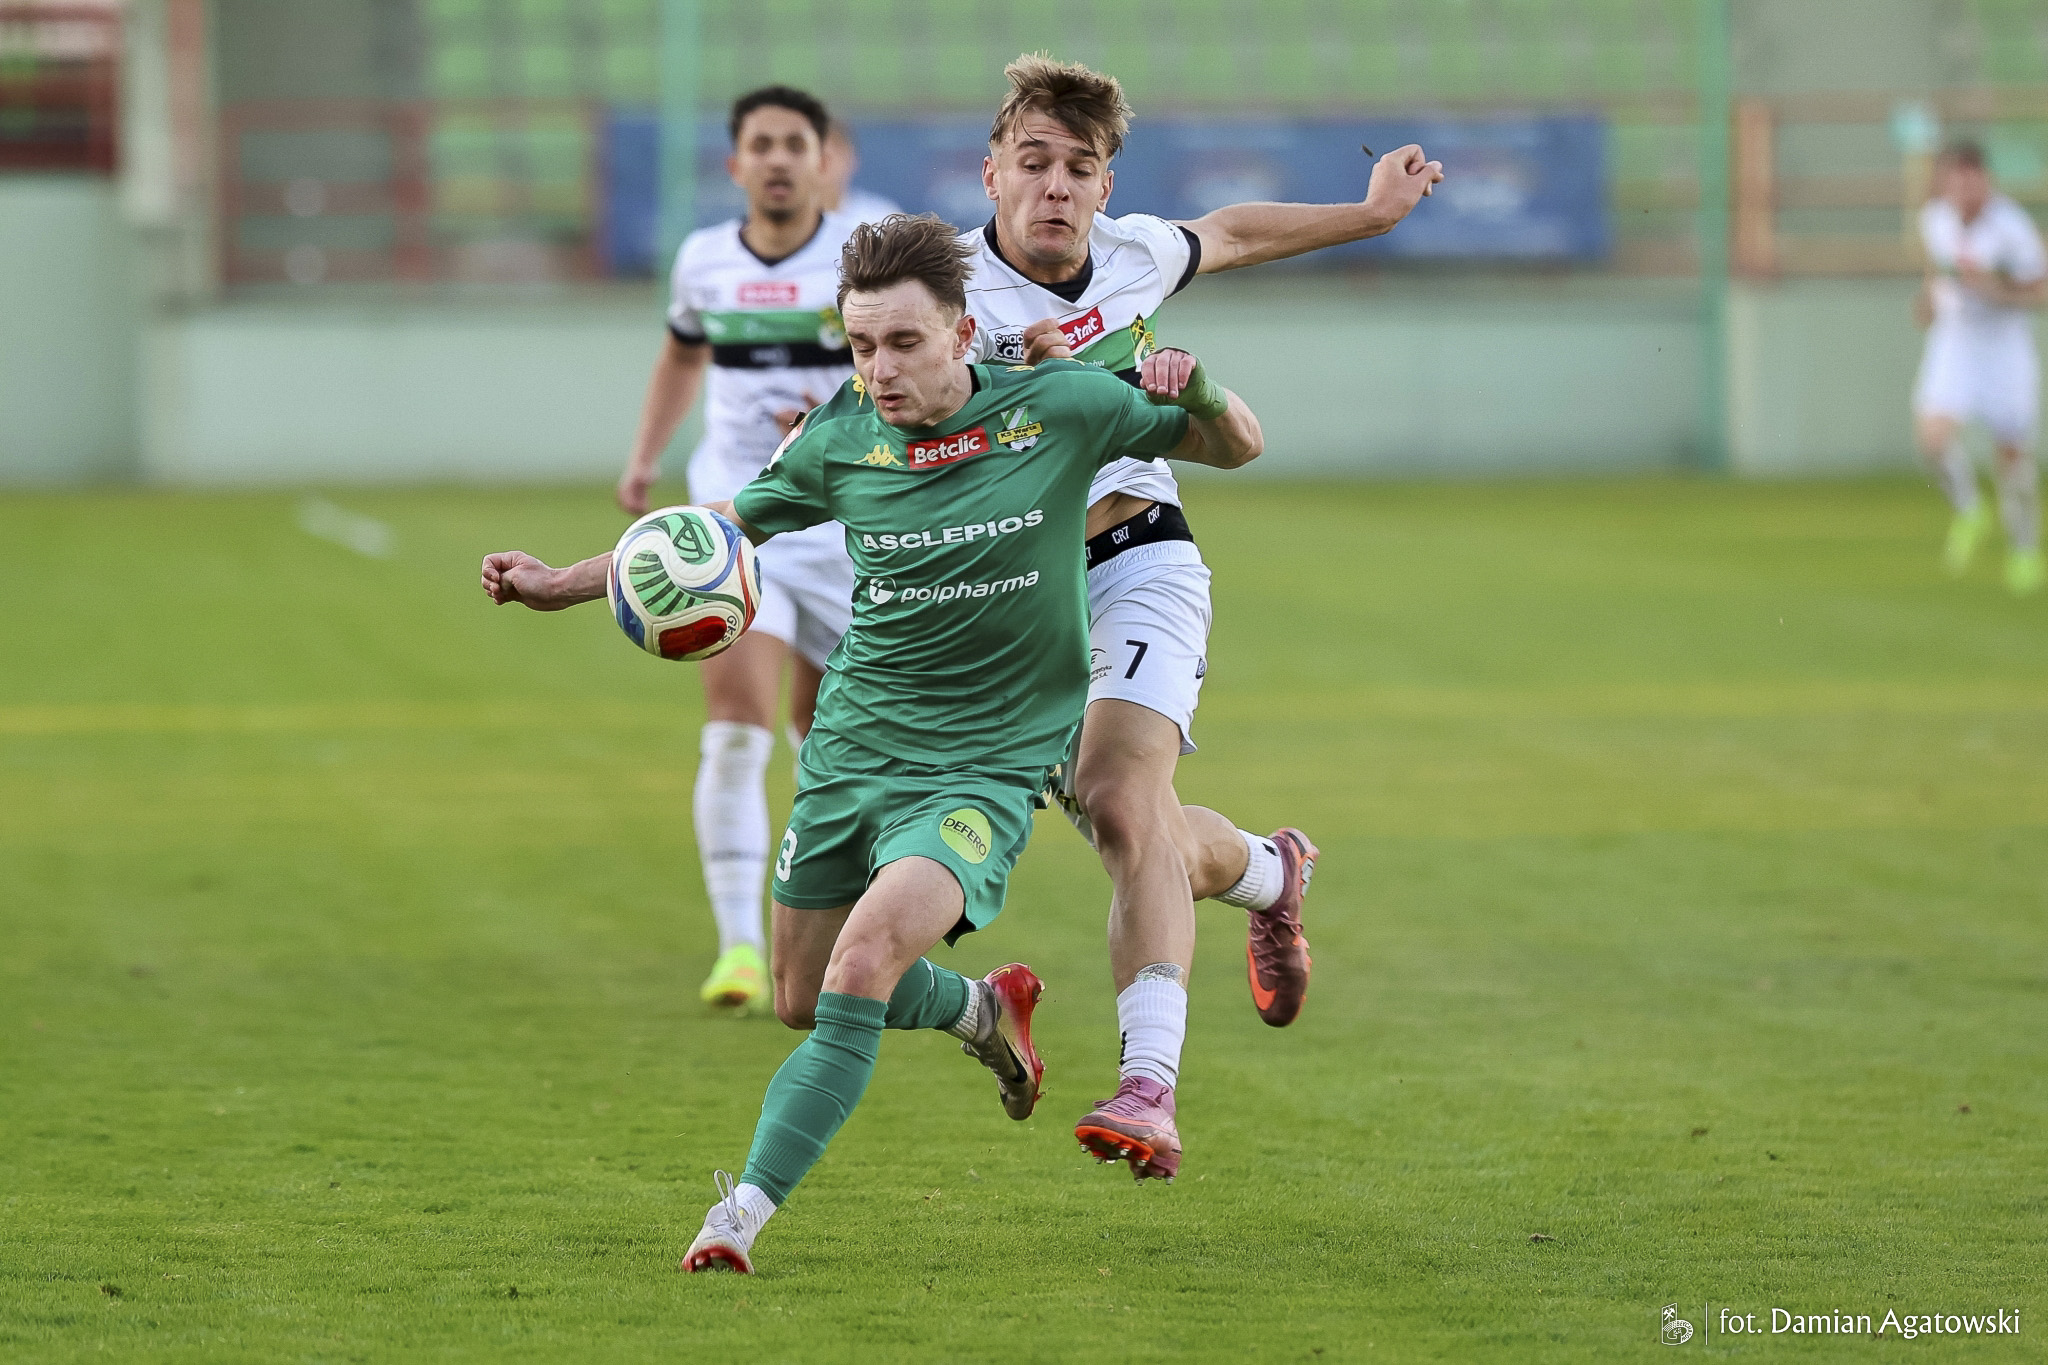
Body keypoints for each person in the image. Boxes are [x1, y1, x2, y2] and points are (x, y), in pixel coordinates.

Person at [479, 214, 1265, 1273]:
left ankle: (738, 1216)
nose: (879, 368)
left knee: (859, 965)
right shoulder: (840, 436)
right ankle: (980, 1008)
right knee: (800, 995)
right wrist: (563, 583)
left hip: (979, 769)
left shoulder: (1062, 407)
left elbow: (1234, 445)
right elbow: (719, 529)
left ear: (961, 332)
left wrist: (1199, 388)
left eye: (902, 342)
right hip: (851, 753)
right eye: (859, 345)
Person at [963, 54, 1444, 1180]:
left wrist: (1370, 217)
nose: (1055, 186)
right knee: (1145, 837)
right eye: (1032, 162)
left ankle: (1148, 1088)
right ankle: (1271, 871)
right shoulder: (943, 288)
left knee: (1121, 799)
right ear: (990, 174)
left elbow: (1227, 231)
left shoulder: (1134, 255)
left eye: (1079, 167)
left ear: (1104, 184)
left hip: (1141, 558)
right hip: (1015, 595)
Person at [616, 86, 866, 1011]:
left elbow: (904, 363)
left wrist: (838, 416)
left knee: (826, 740)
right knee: (732, 730)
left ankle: (831, 934)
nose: (777, 159)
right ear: (735, 165)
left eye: (794, 143)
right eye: (761, 144)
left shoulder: (861, 258)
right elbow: (683, 354)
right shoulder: (704, 261)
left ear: (822, 160)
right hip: (734, 526)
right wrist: (645, 457)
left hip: (842, 526)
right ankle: (738, 950)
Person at [1913, 139, 2048, 595]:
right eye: (1957, 184)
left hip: (2003, 348)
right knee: (1932, 440)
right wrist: (1928, 301)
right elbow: (1937, 272)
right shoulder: (1935, 219)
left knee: (2013, 457)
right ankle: (1970, 510)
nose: (1966, 192)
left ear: (1986, 181)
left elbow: (2040, 291)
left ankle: (2025, 548)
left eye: (1974, 183)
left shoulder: (2012, 229)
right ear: (1946, 185)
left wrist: (1994, 290)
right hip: (1955, 343)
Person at [823, 118, 904, 226]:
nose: (826, 165)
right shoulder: (798, 220)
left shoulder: (884, 217)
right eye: (820, 156)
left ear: (852, 159)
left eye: (831, 156)